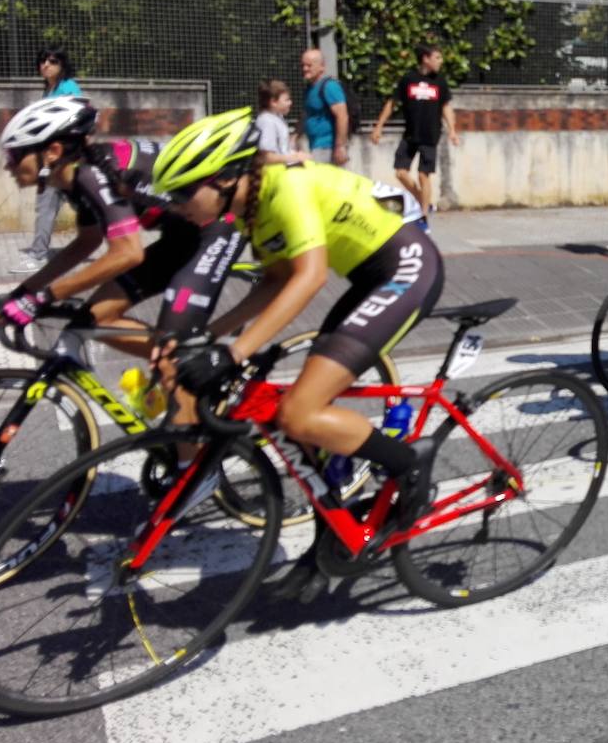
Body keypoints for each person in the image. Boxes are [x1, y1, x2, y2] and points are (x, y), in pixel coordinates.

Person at [151, 108, 444, 559]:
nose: (175, 204)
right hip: (369, 277)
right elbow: (274, 280)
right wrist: (210, 337)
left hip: (406, 267)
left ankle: (409, 463)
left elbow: (308, 279)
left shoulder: (283, 187)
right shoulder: (247, 206)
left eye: (183, 192)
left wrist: (232, 354)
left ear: (224, 180)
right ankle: (335, 528)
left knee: (299, 413)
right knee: (300, 419)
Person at [0, 97, 248, 361]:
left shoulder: (91, 176)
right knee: (97, 319)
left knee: (173, 351)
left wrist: (42, 297)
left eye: (14, 155)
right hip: (181, 235)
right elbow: (86, 243)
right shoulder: (76, 178)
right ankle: (190, 363)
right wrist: (18, 295)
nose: (8, 165)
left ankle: (209, 367)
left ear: (52, 151)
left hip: (215, 226)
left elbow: (128, 254)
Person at [370, 44, 457, 232]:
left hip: (430, 135)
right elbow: (392, 103)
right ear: (426, 59)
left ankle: (423, 217)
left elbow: (446, 107)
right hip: (410, 135)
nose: (440, 62)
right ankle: (422, 200)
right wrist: (379, 126)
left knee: (423, 175)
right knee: (400, 172)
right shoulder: (408, 79)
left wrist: (452, 130)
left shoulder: (440, 82)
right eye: (437, 58)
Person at [13, 47, 83, 274]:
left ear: (62, 64)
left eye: (52, 61)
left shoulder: (68, 87)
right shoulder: (49, 90)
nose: (46, 64)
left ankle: (37, 255)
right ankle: (38, 253)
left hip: (66, 159)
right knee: (48, 206)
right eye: (42, 60)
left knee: (84, 206)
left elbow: (77, 119)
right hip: (52, 159)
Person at [297, 48, 349, 166]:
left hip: (328, 147)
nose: (305, 69)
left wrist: (340, 146)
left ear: (322, 67)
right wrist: (295, 135)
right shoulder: (309, 89)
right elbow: (306, 115)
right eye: (303, 65)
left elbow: (342, 116)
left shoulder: (330, 87)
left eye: (309, 65)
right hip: (315, 146)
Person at [255, 80, 304, 165]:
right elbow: (268, 157)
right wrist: (296, 157)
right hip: (277, 173)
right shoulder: (267, 121)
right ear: (273, 102)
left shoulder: (277, 117)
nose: (290, 103)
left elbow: (283, 149)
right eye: (287, 100)